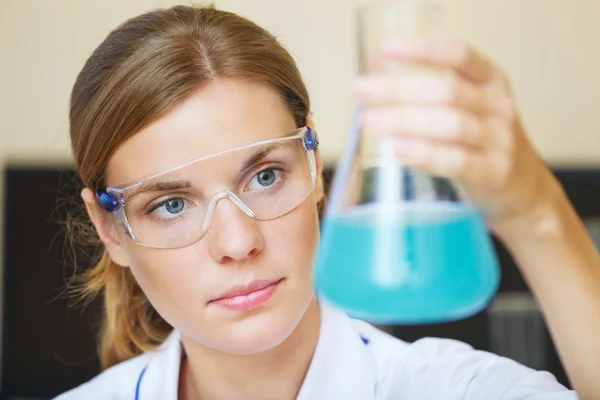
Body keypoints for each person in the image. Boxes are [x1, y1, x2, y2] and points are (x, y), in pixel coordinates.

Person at [56, 4, 600, 400]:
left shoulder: (455, 390)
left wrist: (536, 212)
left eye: (265, 175)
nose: (239, 242)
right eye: (171, 205)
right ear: (109, 228)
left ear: (314, 168)